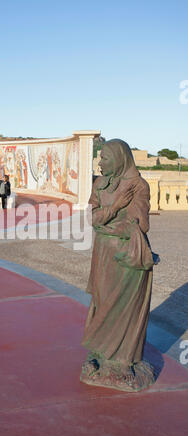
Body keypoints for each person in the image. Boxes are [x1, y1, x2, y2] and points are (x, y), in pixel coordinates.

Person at [81, 139, 156, 391]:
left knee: (123, 308)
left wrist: (108, 223)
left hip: (127, 258)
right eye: (100, 158)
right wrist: (115, 207)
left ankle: (122, 361)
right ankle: (103, 357)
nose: (100, 163)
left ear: (120, 159)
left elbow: (139, 224)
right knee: (103, 302)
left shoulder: (138, 186)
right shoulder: (100, 184)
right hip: (103, 252)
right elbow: (92, 219)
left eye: (104, 158)